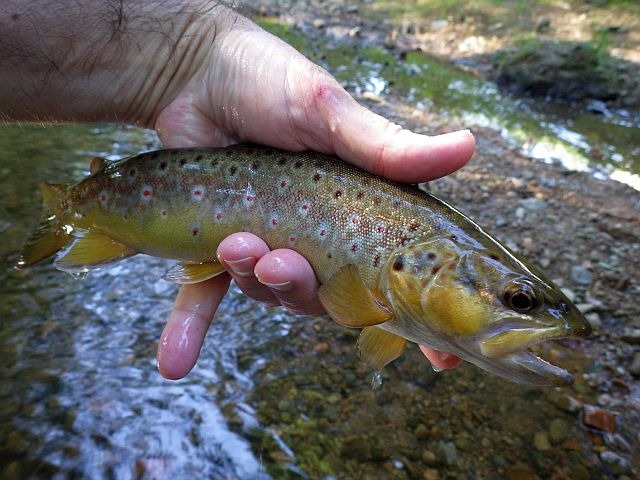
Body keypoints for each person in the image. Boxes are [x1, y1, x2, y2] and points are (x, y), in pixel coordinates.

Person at [1, 1, 469, 378]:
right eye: (518, 302)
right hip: (130, 187)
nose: (525, 313)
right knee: (254, 259)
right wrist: (199, 52)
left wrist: (197, 50)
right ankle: (72, 208)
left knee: (262, 263)